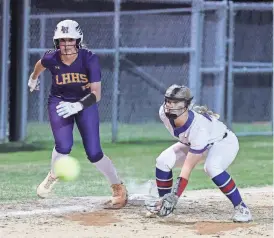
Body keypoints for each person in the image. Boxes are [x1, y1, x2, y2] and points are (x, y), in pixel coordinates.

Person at [28, 19, 127, 209]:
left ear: (78, 40)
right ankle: (53, 174)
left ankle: (118, 187)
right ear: (57, 43)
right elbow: (39, 65)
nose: (66, 44)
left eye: (70, 40)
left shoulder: (89, 58)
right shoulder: (52, 58)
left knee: (94, 153)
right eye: (62, 40)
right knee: (63, 146)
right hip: (58, 101)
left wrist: (78, 106)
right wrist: (33, 78)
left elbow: (96, 94)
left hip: (85, 102)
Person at [145, 84, 252, 222]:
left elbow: (187, 168)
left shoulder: (198, 128)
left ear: (187, 105)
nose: (171, 105)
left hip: (223, 143)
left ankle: (242, 208)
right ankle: (163, 204)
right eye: (169, 101)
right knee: (163, 160)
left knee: (212, 167)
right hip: (197, 143)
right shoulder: (163, 114)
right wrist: (169, 198)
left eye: (176, 102)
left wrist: (176, 195)